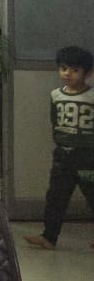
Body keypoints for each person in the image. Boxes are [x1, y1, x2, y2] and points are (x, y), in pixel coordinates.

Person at [23, 45, 94, 251]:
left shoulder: (91, 96)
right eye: (63, 68)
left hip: (88, 157)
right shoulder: (56, 95)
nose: (68, 73)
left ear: (87, 73)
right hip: (63, 155)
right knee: (55, 197)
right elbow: (54, 120)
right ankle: (49, 237)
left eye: (75, 70)